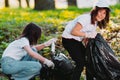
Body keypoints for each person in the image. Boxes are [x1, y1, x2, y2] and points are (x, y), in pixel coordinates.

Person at [61, 0, 111, 80]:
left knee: (89, 60)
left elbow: (86, 38)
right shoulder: (86, 18)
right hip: (68, 40)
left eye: (104, 13)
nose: (102, 15)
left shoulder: (95, 23)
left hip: (77, 41)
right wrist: (87, 35)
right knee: (80, 63)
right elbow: (74, 31)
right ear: (95, 11)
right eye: (100, 12)